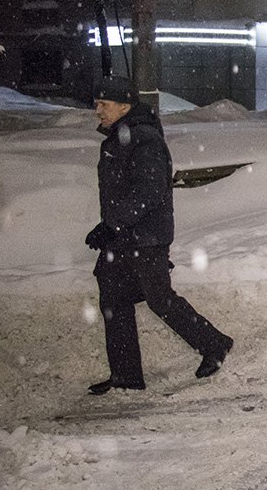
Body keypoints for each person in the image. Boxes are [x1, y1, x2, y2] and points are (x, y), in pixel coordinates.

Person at [85, 77, 234, 395]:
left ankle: (215, 344)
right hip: (123, 235)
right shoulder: (119, 138)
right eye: (97, 103)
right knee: (113, 299)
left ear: (124, 106)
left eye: (104, 104)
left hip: (146, 237)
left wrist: (114, 223)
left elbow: (149, 192)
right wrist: (109, 224)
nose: (97, 110)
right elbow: (121, 192)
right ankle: (126, 376)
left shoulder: (144, 139)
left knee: (159, 299)